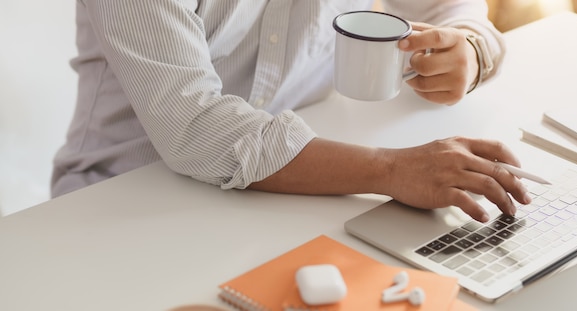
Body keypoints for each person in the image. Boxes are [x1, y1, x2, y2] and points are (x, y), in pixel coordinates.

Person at [52, 0, 531, 223]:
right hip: (123, 208)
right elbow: (195, 129)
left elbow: (453, 7)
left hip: (301, 197)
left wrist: (469, 49)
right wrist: (394, 169)